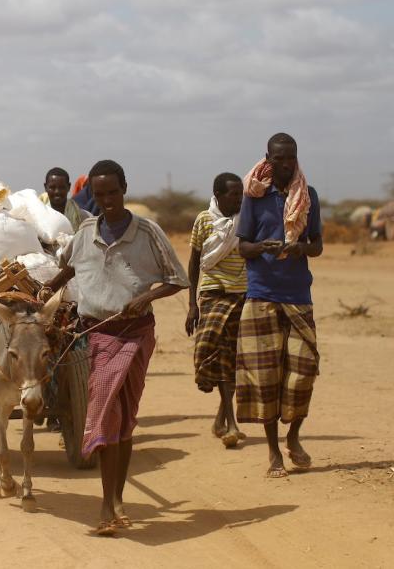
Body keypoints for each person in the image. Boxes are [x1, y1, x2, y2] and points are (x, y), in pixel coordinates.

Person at [45, 160, 189, 536]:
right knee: (110, 416)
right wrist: (46, 289)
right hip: (100, 336)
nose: (107, 200)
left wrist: (147, 297)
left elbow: (177, 279)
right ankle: (108, 506)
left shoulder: (147, 232)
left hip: (137, 334)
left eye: (113, 192)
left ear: (124, 188)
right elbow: (70, 267)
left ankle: (116, 500)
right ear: (92, 194)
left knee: (123, 422)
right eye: (100, 194)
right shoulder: (86, 231)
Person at [236, 132, 322, 478]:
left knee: (302, 374)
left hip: (298, 296)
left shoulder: (309, 196)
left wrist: (300, 248)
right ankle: (273, 451)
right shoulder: (254, 197)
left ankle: (294, 436)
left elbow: (316, 245)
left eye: (291, 157)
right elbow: (242, 246)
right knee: (265, 378)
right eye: (279, 158)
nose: (286, 164)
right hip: (261, 295)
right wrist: (262, 248)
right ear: (268, 158)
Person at [186, 172, 247, 448]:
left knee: (232, 359)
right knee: (208, 349)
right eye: (233, 194)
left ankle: (228, 421)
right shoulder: (204, 220)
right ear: (218, 195)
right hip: (212, 294)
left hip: (242, 295)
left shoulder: (246, 221)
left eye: (240, 194)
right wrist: (191, 305)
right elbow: (195, 261)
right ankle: (226, 420)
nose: (238, 198)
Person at [41, 166, 90, 231]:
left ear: (69, 187)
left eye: (61, 187)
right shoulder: (40, 218)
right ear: (45, 187)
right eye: (52, 187)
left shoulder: (85, 218)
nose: (57, 192)